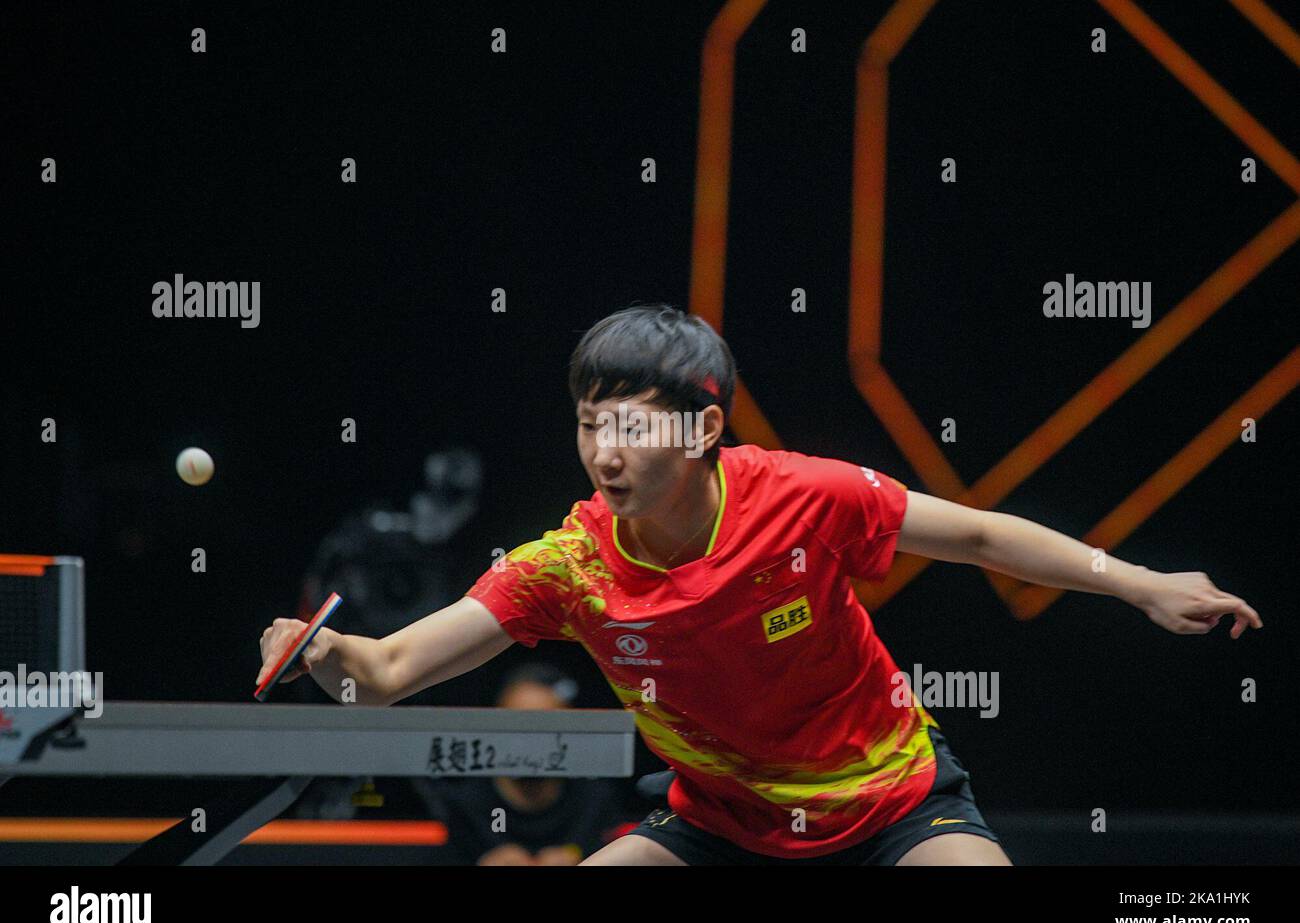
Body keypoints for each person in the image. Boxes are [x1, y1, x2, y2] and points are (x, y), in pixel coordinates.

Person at [256, 303, 1263, 866]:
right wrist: (320, 650)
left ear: (700, 427)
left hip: (889, 803)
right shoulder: (569, 564)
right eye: (586, 422)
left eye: (630, 424)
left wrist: (1139, 584)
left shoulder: (803, 496)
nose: (602, 451)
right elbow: (383, 672)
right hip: (720, 823)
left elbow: (983, 535)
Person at [413, 663, 637, 865]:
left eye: (546, 724)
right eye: (519, 723)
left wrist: (582, 860)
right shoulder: (465, 805)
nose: (531, 738)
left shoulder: (594, 799)